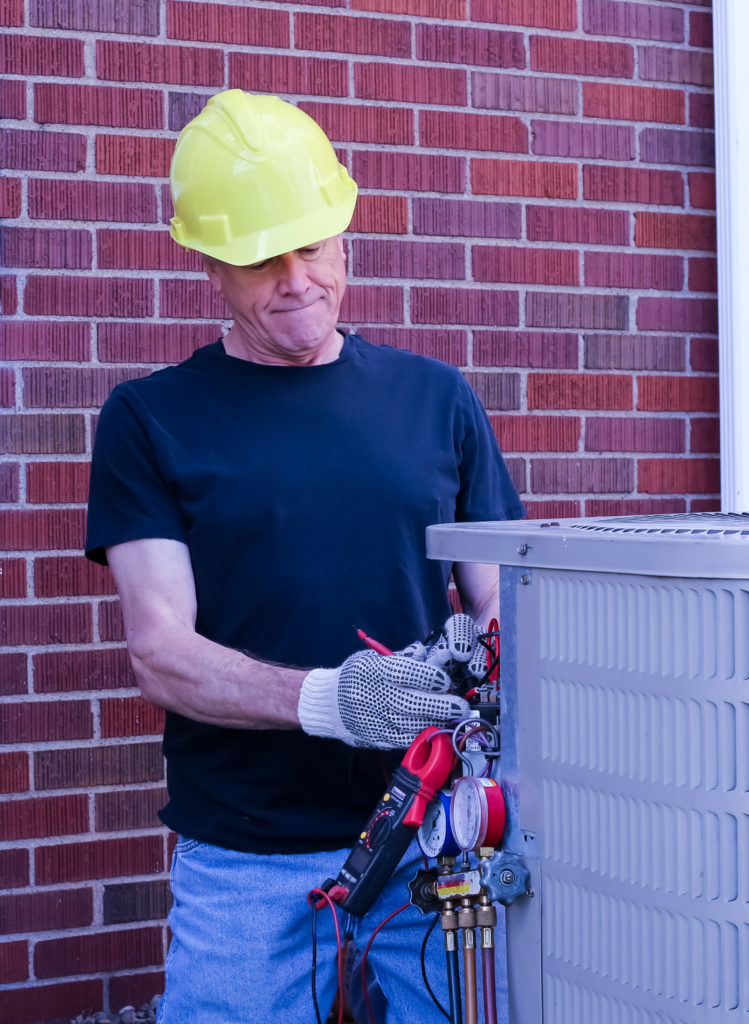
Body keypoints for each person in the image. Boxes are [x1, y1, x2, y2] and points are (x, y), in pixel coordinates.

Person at [85, 89, 525, 1023]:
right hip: (247, 854)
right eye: (261, 258)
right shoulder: (149, 418)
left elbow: (501, 606)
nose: (297, 279)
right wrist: (333, 699)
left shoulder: (436, 399)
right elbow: (161, 651)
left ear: (344, 235)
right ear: (209, 262)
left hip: (435, 843)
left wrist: (485, 682)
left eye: (314, 246)